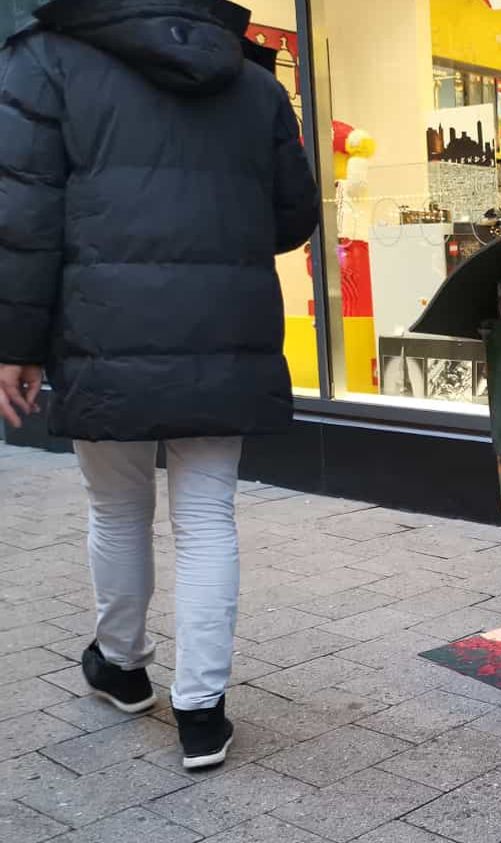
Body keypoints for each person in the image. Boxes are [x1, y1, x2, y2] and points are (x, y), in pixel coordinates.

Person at [0, 0, 320, 769]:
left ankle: (122, 665)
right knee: (207, 517)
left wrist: (14, 343)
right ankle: (201, 712)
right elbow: (292, 217)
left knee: (117, 506)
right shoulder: (251, 79)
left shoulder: (45, 59)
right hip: (222, 325)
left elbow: (22, 214)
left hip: (101, 326)